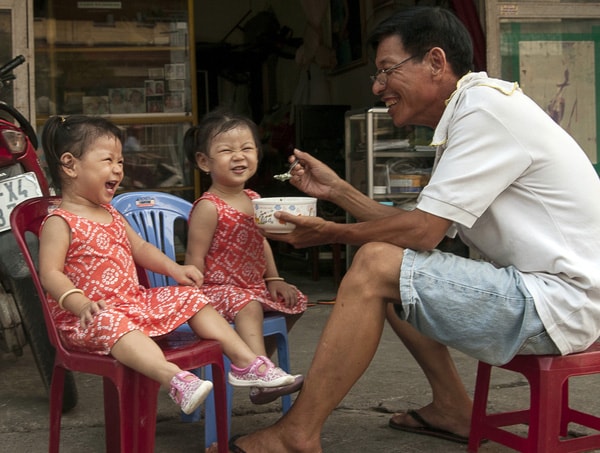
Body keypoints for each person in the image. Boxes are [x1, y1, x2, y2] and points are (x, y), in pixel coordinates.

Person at [210, 6, 600, 452]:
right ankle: (453, 408)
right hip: (551, 295)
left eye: (386, 71)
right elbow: (419, 229)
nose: (377, 87)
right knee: (393, 267)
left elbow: (422, 233)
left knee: (377, 263)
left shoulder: (484, 113)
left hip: (559, 303)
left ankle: (296, 434)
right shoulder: (472, 111)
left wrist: (329, 233)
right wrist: (338, 191)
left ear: (436, 62)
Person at [38, 115, 297, 417]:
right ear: (70, 165)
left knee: (192, 298)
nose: (118, 170)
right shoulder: (60, 221)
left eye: (120, 162)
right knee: (114, 323)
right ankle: (173, 378)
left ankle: (246, 363)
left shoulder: (111, 212)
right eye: (108, 160)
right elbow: (50, 274)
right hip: (87, 317)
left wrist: (175, 270)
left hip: (132, 302)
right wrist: (80, 303)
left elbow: (142, 248)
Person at [183, 109, 307, 405]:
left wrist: (274, 278)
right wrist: (193, 298)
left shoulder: (253, 199)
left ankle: (257, 366)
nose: (239, 156)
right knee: (248, 305)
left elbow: (261, 242)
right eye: (226, 151)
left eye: (247, 148)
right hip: (216, 290)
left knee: (295, 302)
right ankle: (257, 369)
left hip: (251, 286)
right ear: (204, 161)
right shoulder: (209, 206)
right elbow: (193, 257)